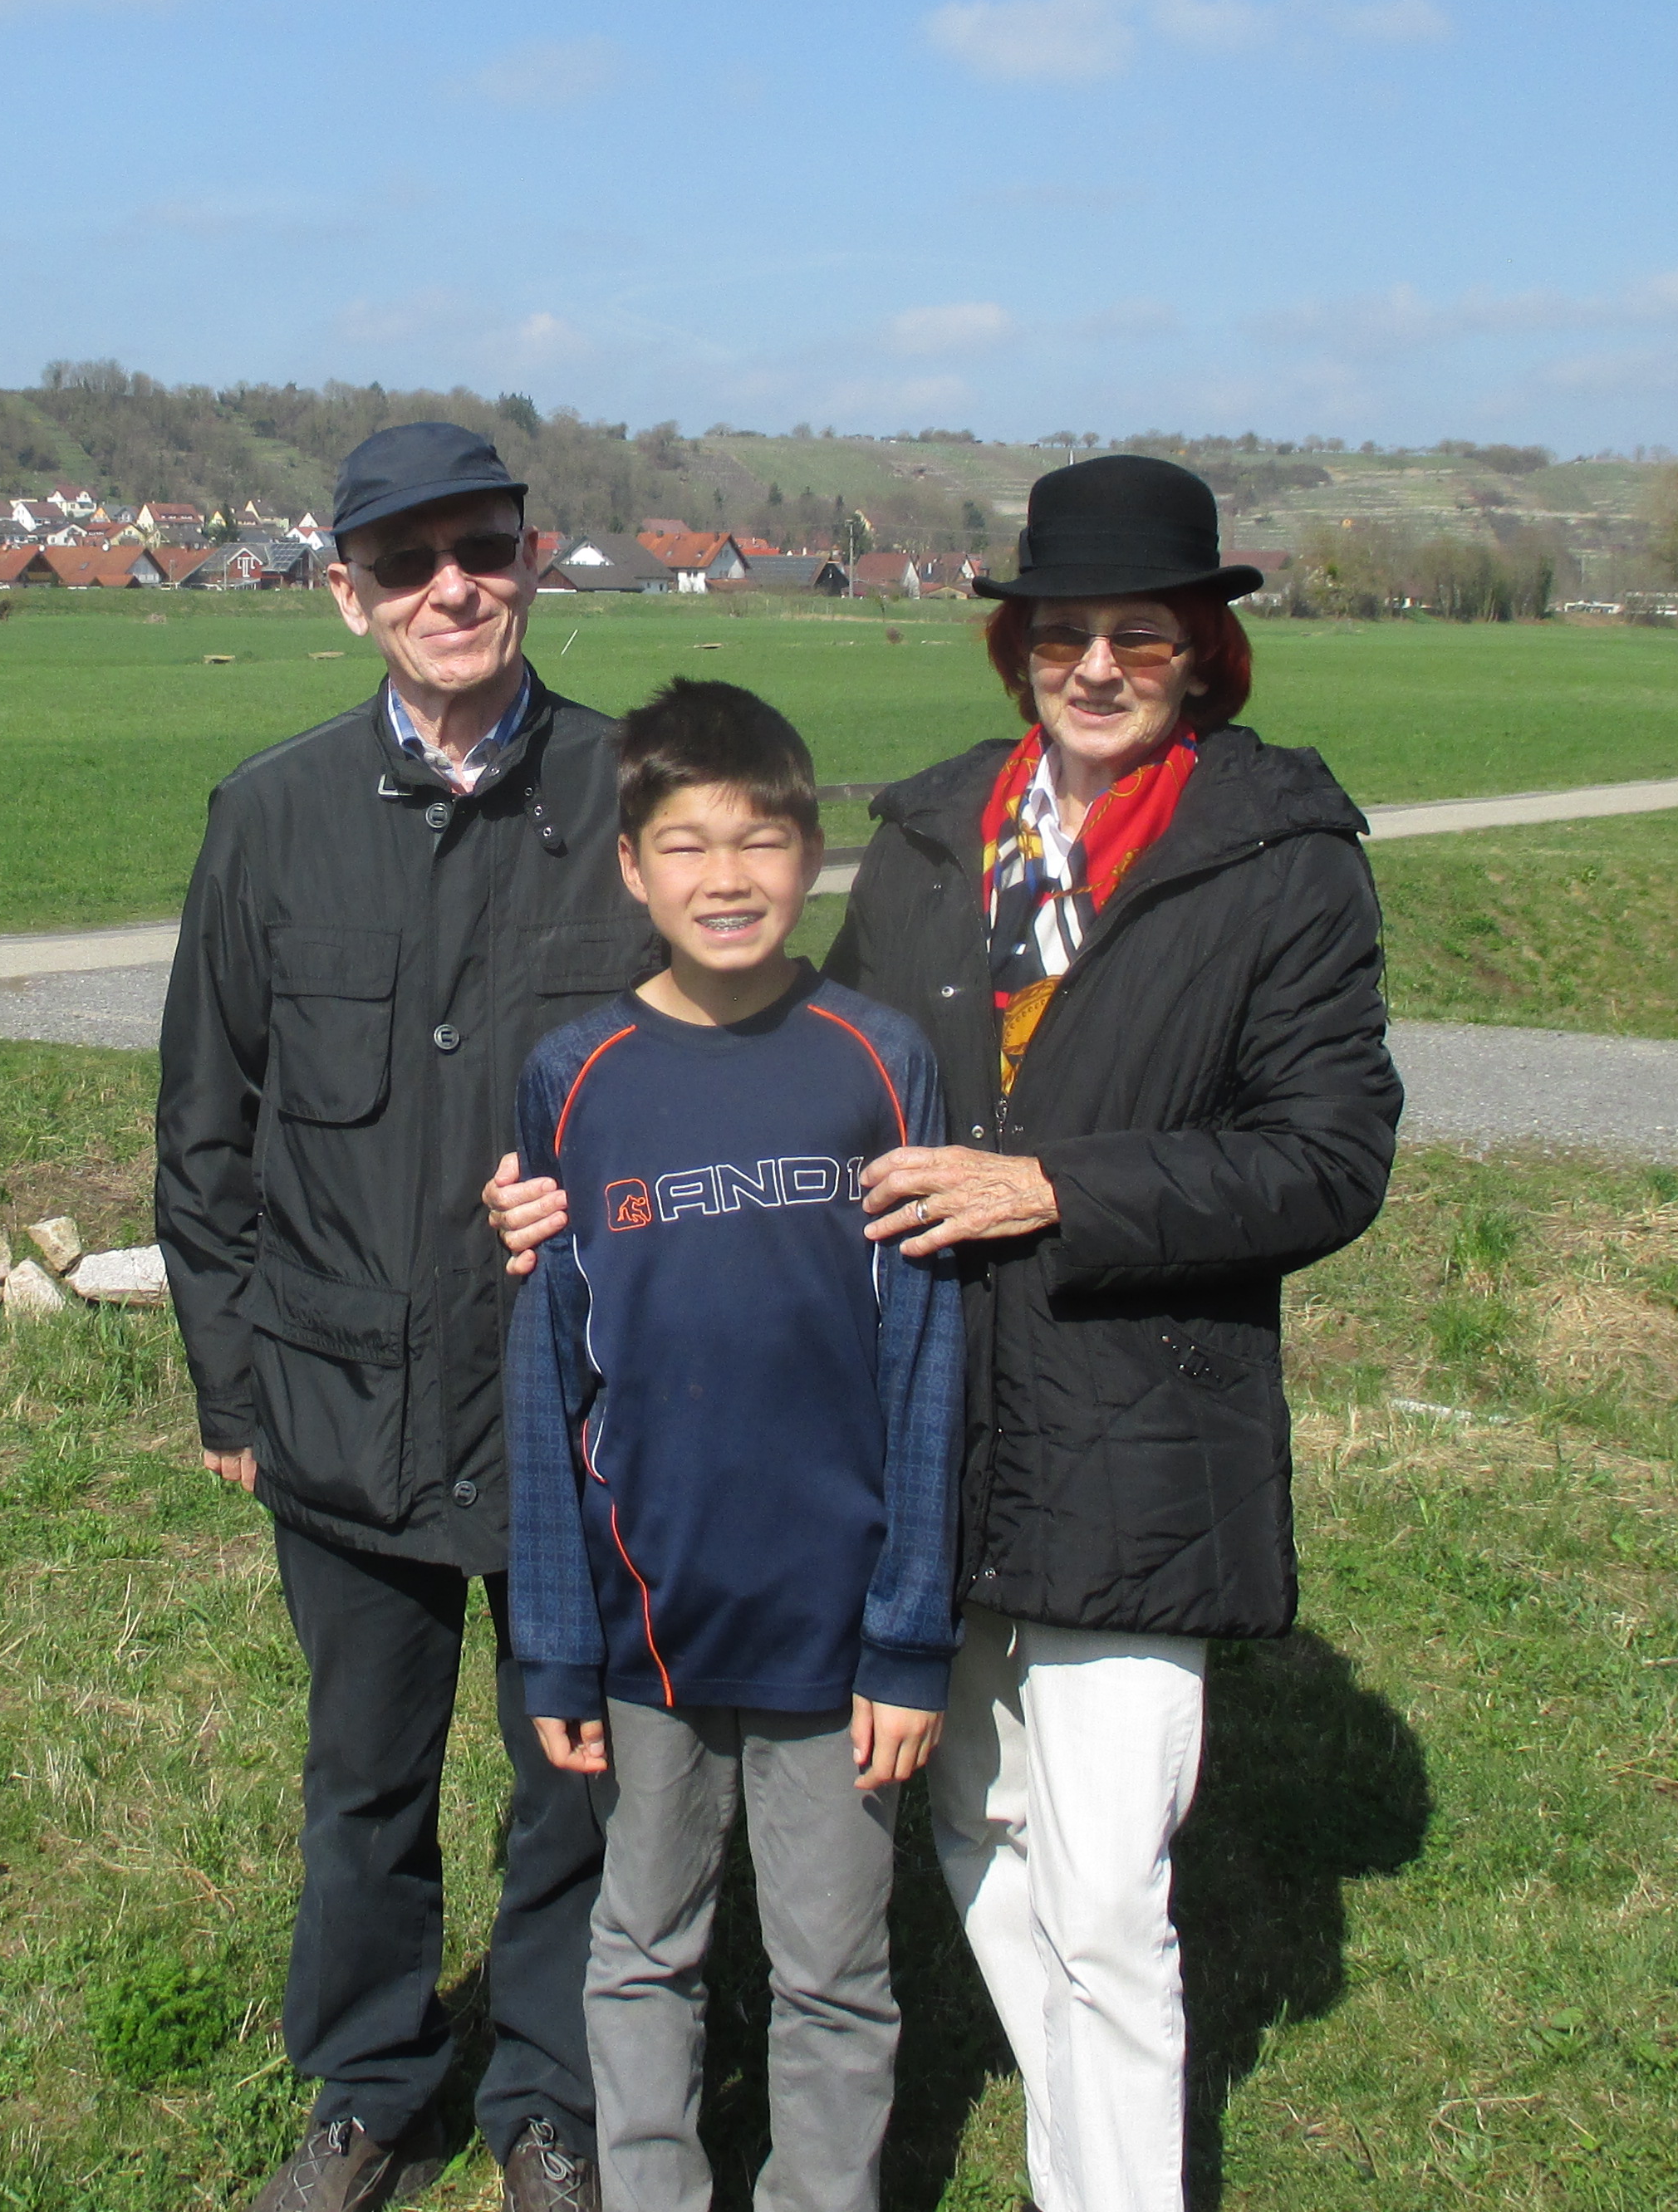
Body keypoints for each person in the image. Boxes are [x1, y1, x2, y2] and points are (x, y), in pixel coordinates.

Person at [484, 453, 1396, 2211]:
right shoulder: (935, 839)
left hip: (1133, 1433)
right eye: (1064, 634)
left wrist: (1051, 1187)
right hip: (922, 1434)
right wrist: (560, 1190)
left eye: (1142, 634)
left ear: (1204, 651)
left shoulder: (1275, 858)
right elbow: (797, 1092)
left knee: (1106, 1888)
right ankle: (1072, 2153)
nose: (1099, 666)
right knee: (977, 1837)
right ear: (1017, 649)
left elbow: (1328, 1158)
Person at [159, 419, 658, 2212]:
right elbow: (204, 1136)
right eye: (407, 562)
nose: (452, 588)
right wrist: (235, 1395)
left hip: (571, 1409)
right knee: (363, 1774)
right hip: (339, 1402)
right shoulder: (271, 818)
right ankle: (366, 2084)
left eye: (484, 550)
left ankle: (552, 2100)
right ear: (346, 594)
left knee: (574, 1774)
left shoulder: (637, 801)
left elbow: (734, 1102)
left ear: (533, 558)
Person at [503, 680, 961, 2212]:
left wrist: (909, 1639)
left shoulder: (878, 1060)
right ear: (631, 868)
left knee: (833, 1969)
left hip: (838, 1629)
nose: (726, 877)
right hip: (650, 1621)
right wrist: (556, 1647)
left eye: (761, 841)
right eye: (687, 845)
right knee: (645, 1946)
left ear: (813, 855)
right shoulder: (575, 1077)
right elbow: (546, 1373)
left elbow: (925, 1360)